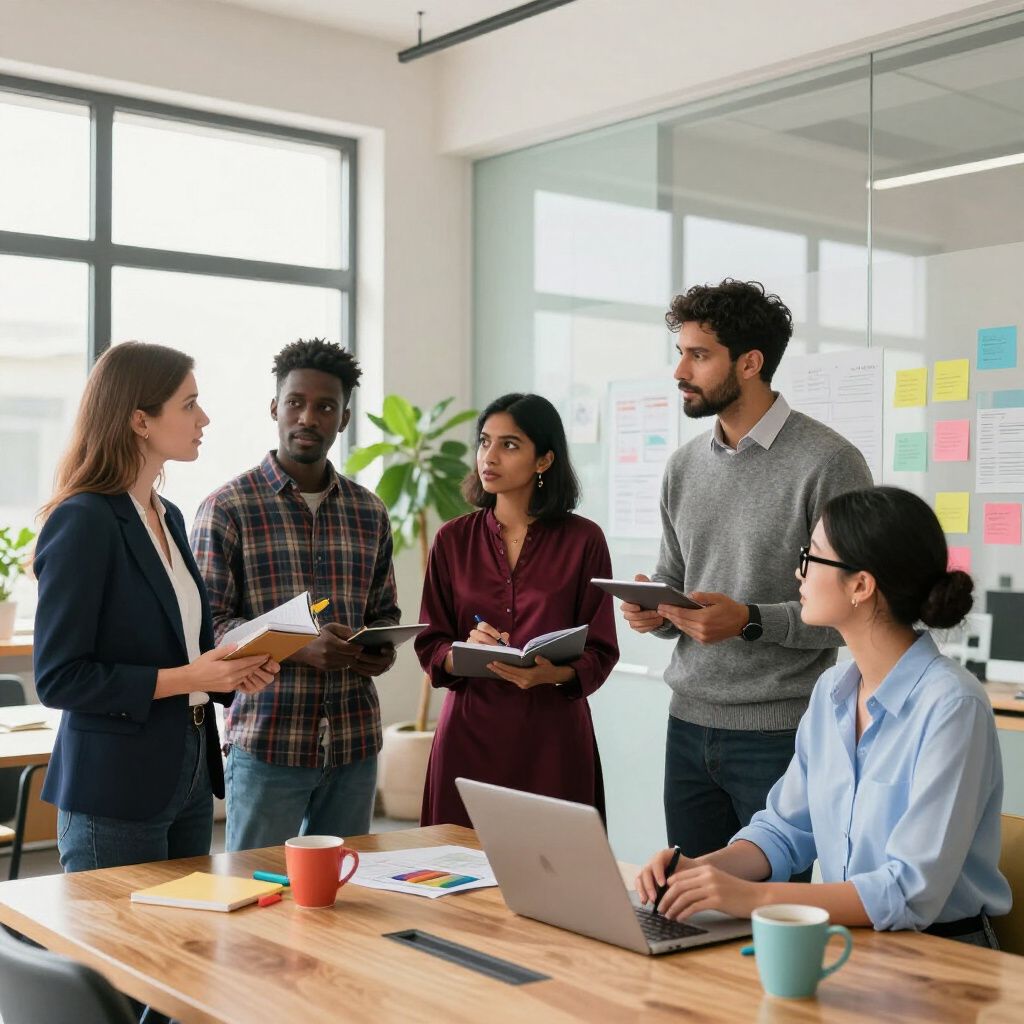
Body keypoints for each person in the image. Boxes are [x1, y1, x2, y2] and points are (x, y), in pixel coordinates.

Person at [637, 486, 1012, 947]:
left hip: (944, 956)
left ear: (860, 585)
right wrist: (701, 870)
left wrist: (749, 899)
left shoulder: (953, 707)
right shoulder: (832, 691)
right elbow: (784, 830)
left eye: (812, 557)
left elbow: (909, 891)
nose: (799, 572)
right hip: (856, 945)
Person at [621, 279, 873, 863]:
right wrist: (657, 610)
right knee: (688, 910)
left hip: (784, 734)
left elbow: (860, 613)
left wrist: (751, 621)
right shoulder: (683, 467)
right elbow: (681, 588)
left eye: (698, 355)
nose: (680, 369)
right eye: (680, 352)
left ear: (751, 363)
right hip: (687, 726)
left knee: (775, 922)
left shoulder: (829, 463)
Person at [33, 342, 277, 873]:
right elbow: (60, 679)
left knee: (181, 949)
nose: (204, 418)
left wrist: (226, 672)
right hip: (115, 785)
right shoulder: (83, 520)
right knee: (110, 952)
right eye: (189, 404)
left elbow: (180, 647)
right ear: (140, 420)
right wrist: (191, 673)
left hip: (188, 772)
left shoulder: (167, 515)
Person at [191, 338, 399, 852]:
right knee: (255, 897)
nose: (309, 417)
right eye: (296, 403)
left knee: (344, 900)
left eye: (325, 406)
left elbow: (385, 612)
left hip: (354, 741)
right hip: (268, 742)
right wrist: (299, 647)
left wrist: (378, 650)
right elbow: (207, 629)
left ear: (344, 418)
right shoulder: (227, 508)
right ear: (274, 408)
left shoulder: (368, 512)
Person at [416, 393, 619, 827]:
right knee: (456, 876)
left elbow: (601, 649)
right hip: (468, 733)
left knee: (556, 876)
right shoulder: (452, 540)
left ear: (544, 460)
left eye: (509, 445)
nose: (489, 456)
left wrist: (551, 673)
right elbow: (429, 640)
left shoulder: (585, 541)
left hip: (552, 737)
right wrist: (463, 651)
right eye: (485, 441)